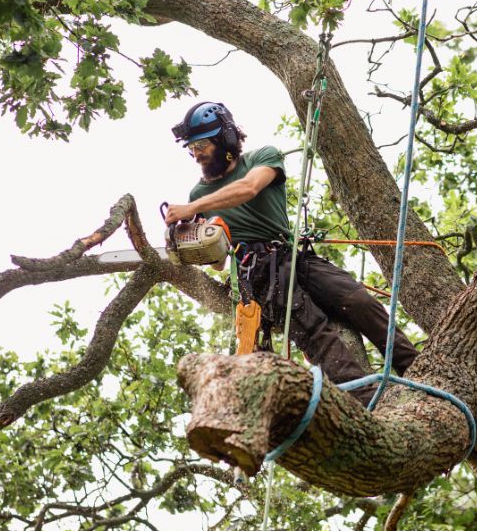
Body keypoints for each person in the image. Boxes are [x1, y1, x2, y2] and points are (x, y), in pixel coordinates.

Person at [165, 101, 418, 405]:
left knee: (357, 299)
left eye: (202, 144)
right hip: (258, 272)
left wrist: (194, 208)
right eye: (191, 147)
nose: (196, 153)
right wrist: (195, 240)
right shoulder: (199, 194)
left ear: (226, 139)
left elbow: (248, 188)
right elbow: (219, 263)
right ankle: (368, 400)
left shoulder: (262, 158)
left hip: (291, 256)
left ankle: (415, 368)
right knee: (314, 329)